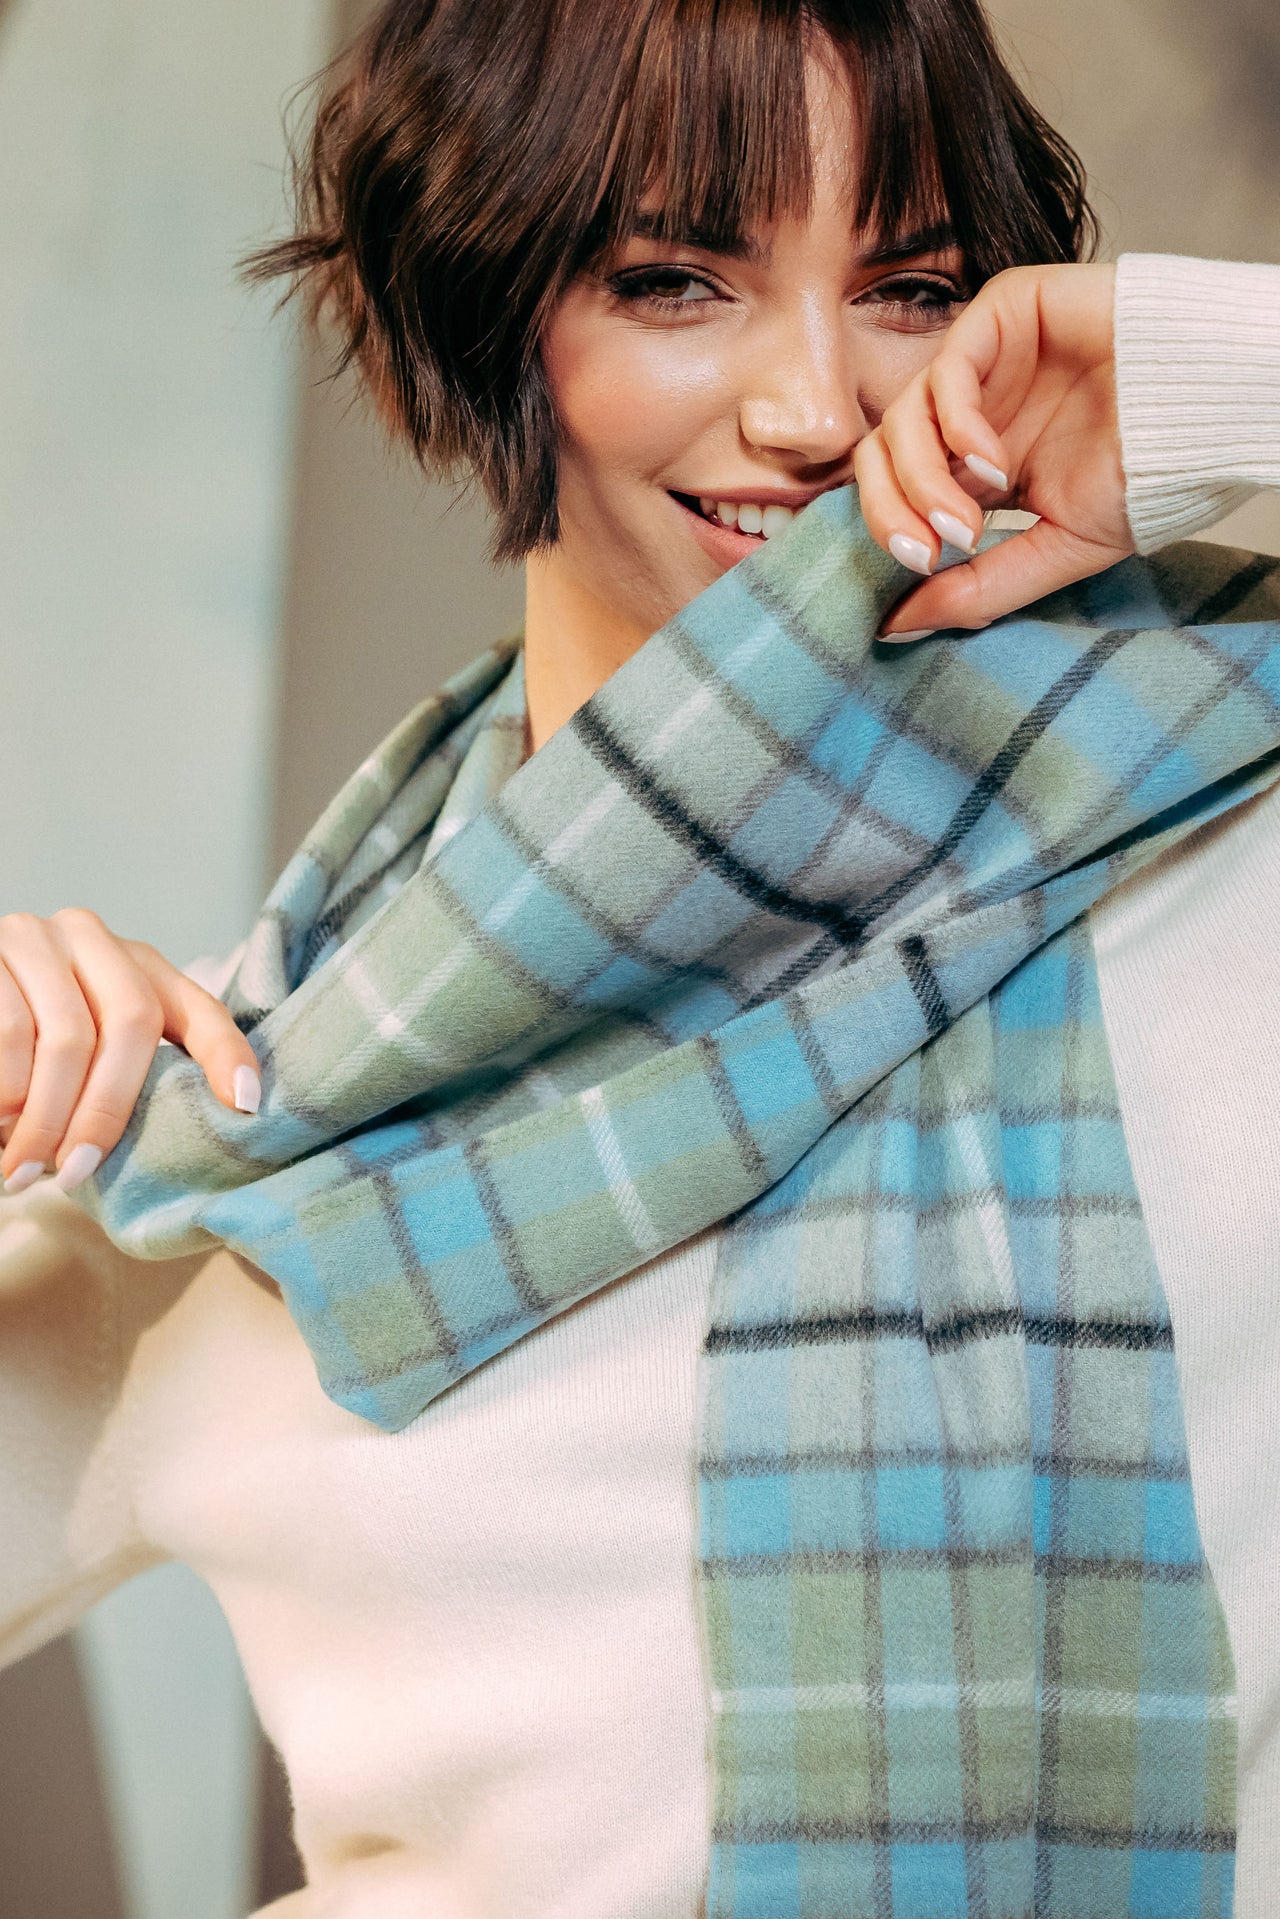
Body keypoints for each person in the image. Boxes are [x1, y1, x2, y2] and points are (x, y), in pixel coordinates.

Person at [0, 0, 1277, 1912]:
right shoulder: (249, 1128)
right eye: (679, 281)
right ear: (485, 307)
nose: (817, 408)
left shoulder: (1221, 817)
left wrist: (1219, 374)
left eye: (913, 286)